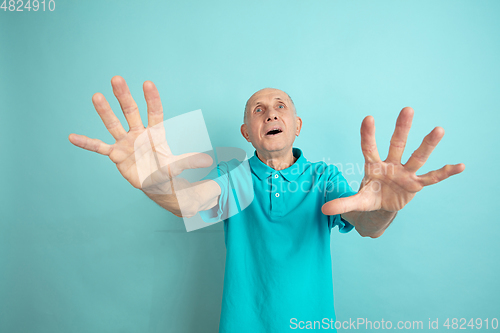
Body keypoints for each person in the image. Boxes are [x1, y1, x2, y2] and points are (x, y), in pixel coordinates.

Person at [68, 76, 465, 332]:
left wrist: (386, 206)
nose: (270, 113)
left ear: (296, 125)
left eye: (280, 106)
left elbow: (367, 223)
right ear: (247, 132)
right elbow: (189, 202)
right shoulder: (236, 176)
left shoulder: (323, 176)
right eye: (258, 110)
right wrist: (154, 185)